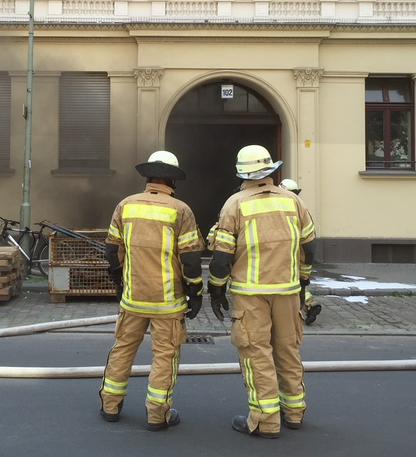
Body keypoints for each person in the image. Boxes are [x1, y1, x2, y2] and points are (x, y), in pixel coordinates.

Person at [208, 145, 317, 439]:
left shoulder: (235, 204)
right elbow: (309, 246)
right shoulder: (293, 201)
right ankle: (294, 412)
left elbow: (221, 257)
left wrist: (216, 289)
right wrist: (303, 281)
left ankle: (266, 421)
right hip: (288, 291)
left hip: (250, 293)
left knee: (257, 354)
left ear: (242, 174)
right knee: (287, 350)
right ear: (271, 170)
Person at [99, 150, 205, 431]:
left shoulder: (125, 206)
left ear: (147, 177)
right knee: (165, 356)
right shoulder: (181, 210)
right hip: (168, 303)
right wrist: (196, 293)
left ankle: (110, 404)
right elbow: (191, 259)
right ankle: (157, 414)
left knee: (122, 349)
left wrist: (120, 282)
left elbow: (112, 250)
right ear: (173, 182)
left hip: (133, 299)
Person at [279, 179, 321, 326]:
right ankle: (310, 304)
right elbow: (309, 238)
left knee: (290, 285)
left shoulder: (280, 209)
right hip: (300, 254)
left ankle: (295, 311)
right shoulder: (301, 208)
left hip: (285, 254)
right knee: (299, 283)